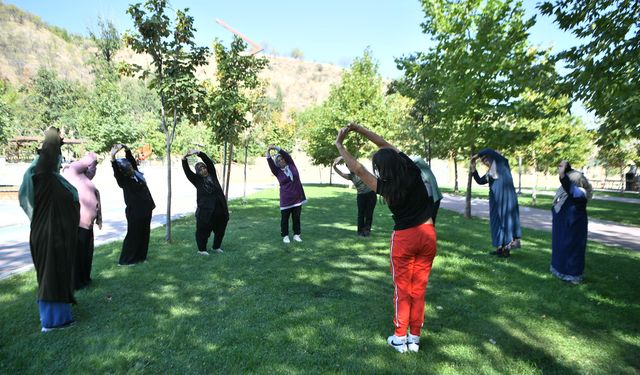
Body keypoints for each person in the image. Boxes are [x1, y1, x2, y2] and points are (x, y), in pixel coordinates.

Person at [335, 123, 437, 354]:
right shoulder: (411, 169)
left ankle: (400, 338)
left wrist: (340, 145)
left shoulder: (385, 187)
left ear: (381, 169)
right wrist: (359, 129)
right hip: (428, 235)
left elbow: (358, 170)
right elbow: (383, 144)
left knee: (403, 289)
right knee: (418, 289)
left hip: (405, 239)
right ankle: (415, 338)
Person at [19, 128, 80, 332]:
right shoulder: (42, 176)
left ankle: (61, 317)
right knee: (51, 276)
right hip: (49, 235)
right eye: (56, 156)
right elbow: (46, 158)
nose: (58, 160)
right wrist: (53, 138)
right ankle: (52, 322)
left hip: (57, 235)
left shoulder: (53, 179)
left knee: (58, 274)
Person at [471, 148, 522, 257]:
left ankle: (506, 249)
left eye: (486, 159)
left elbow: (489, 150)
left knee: (505, 221)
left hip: (506, 198)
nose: (485, 161)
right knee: (496, 222)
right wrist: (473, 168)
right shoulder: (490, 172)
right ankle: (499, 247)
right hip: (494, 199)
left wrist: (476, 156)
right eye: (483, 161)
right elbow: (480, 181)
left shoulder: (502, 164)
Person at [62, 152, 102, 289]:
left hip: (87, 224)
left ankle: (85, 279)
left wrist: (95, 162)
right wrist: (92, 155)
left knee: (86, 253)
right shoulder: (71, 171)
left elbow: (91, 169)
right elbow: (87, 161)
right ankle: (76, 283)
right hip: (77, 223)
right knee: (77, 255)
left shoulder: (83, 177)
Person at [110, 143, 155, 265]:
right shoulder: (123, 181)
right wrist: (113, 157)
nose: (130, 167)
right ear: (122, 171)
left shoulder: (136, 174)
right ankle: (126, 260)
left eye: (129, 166)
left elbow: (132, 162)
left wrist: (126, 148)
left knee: (144, 233)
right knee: (133, 235)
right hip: (135, 211)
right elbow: (116, 172)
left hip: (146, 209)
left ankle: (141, 257)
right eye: (126, 167)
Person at [551, 160, 592, 284]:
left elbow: (568, 185)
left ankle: (572, 275)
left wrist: (563, 174)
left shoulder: (579, 193)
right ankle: (559, 270)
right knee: (561, 247)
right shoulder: (568, 192)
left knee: (571, 249)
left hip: (572, 227)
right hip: (563, 226)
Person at [182, 149, 229, 255]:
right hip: (205, 212)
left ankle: (216, 247)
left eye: (204, 168)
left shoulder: (212, 175)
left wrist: (199, 153)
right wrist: (184, 159)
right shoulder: (196, 180)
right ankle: (202, 250)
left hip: (220, 209)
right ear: (198, 172)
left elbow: (209, 162)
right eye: (200, 169)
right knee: (203, 231)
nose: (203, 170)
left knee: (220, 230)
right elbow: (187, 172)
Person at [266, 145, 307, 244]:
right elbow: (270, 162)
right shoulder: (277, 172)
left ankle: (297, 235)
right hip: (286, 200)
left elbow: (287, 155)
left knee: (296, 218)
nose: (281, 161)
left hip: (297, 199)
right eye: (278, 160)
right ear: (277, 164)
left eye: (282, 159)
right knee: (285, 219)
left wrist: (276, 148)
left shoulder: (292, 165)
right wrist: (268, 151)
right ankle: (285, 236)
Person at [332, 156, 377, 236]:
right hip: (361, 196)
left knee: (369, 214)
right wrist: (334, 165)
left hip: (371, 194)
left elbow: (357, 163)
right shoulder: (351, 176)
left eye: (350, 166)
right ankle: (360, 231)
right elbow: (341, 173)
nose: (350, 168)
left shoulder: (362, 171)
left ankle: (367, 231)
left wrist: (344, 156)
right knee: (361, 214)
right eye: (348, 167)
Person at [411, 156, 443, 225]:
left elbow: (418, 159)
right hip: (427, 200)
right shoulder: (418, 175)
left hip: (433, 199)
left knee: (430, 220)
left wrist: (406, 160)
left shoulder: (426, 171)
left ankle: (430, 234)